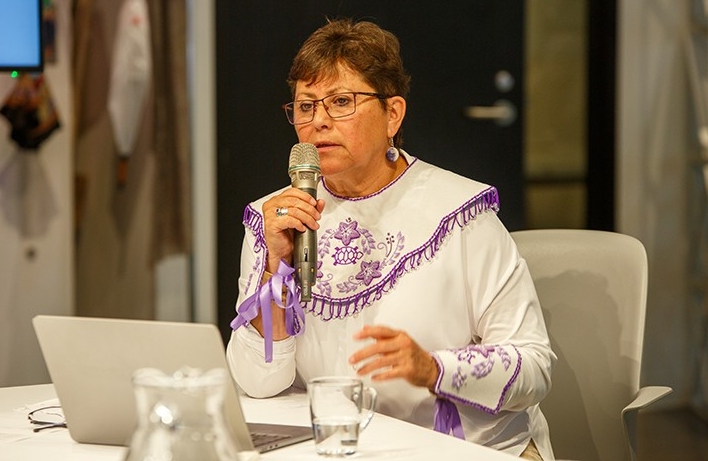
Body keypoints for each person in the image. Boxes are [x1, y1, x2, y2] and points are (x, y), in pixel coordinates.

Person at [226, 18, 556, 460]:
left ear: (393, 114)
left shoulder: (461, 215)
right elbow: (257, 384)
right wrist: (274, 269)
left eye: (341, 102)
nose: (318, 121)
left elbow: (534, 367)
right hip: (339, 447)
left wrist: (435, 368)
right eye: (305, 106)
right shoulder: (277, 220)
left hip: (462, 448)